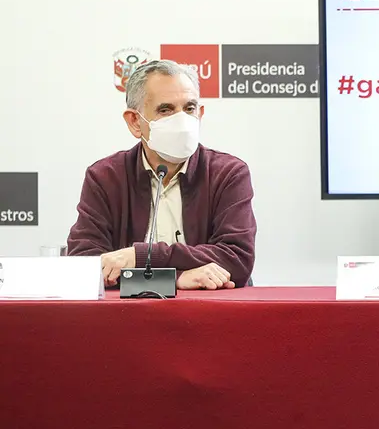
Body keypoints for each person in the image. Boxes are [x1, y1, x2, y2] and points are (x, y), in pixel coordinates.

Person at [67, 60, 257, 289]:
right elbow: (86, 266)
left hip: (212, 316)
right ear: (135, 122)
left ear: (200, 114)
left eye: (189, 109)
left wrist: (139, 256)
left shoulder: (228, 173)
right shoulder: (105, 177)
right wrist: (174, 280)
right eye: (165, 110)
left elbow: (237, 259)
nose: (182, 120)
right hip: (130, 317)